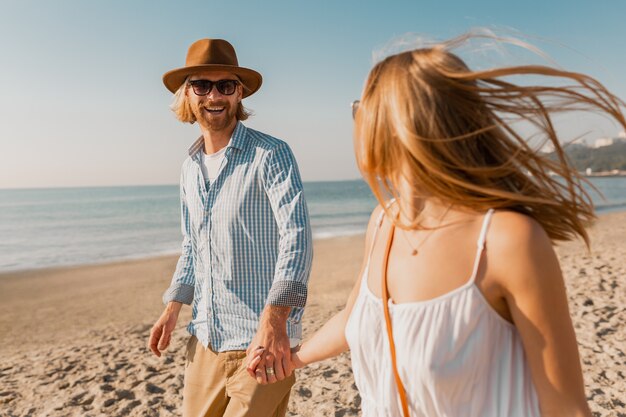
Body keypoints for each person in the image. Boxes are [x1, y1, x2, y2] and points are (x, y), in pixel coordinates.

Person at [248, 33, 626, 416]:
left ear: (396, 125)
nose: (356, 120)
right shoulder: (384, 222)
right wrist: (293, 359)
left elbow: (568, 408)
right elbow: (356, 316)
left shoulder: (507, 240)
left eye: (361, 108)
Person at [147, 38, 313, 417]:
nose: (214, 95)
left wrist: (275, 322)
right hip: (204, 338)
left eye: (225, 86)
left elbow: (297, 238)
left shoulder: (271, 154)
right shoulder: (189, 168)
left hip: (261, 341)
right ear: (187, 94)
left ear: (239, 93)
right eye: (202, 85)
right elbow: (192, 245)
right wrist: (172, 308)